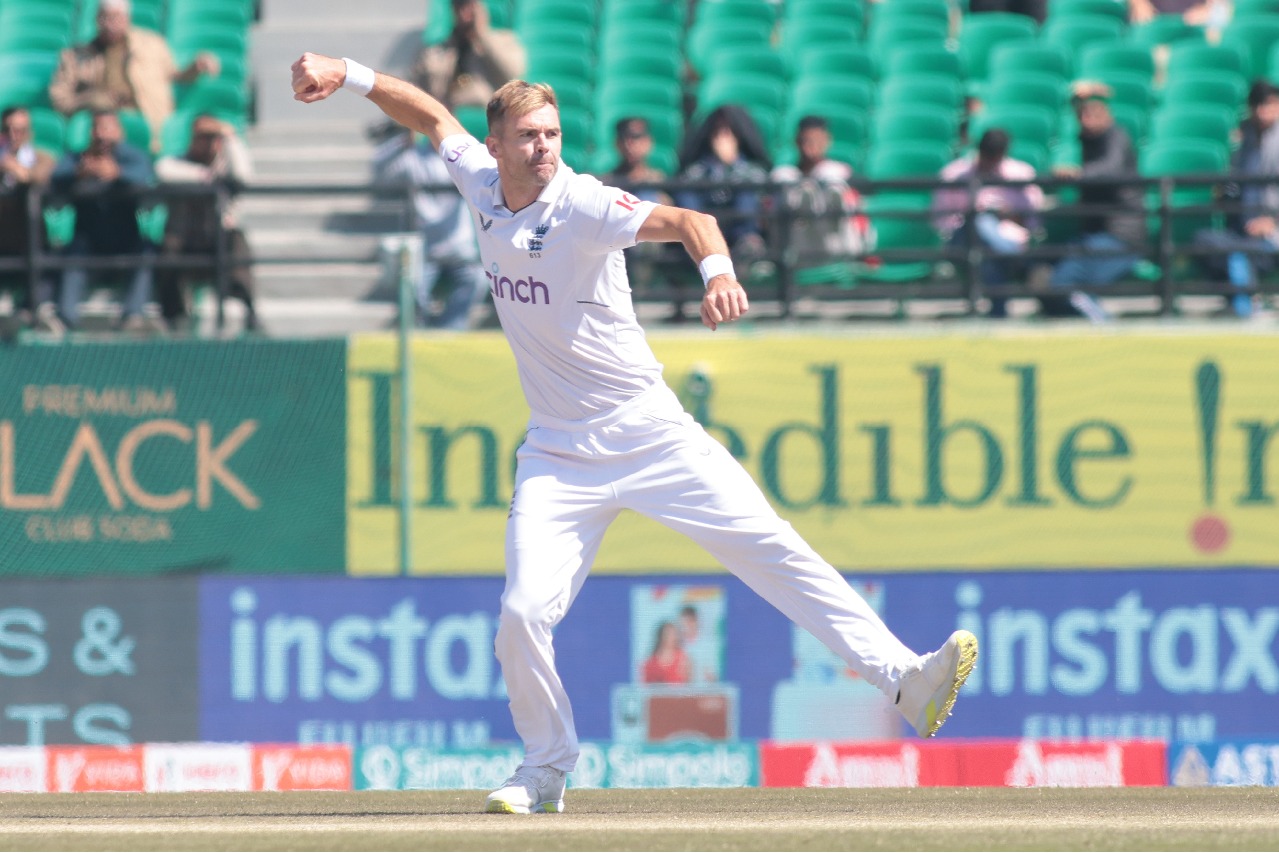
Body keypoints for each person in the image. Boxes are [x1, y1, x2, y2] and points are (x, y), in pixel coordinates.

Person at [290, 51, 977, 816]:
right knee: (520, 614)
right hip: (556, 452)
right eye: (527, 135)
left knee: (773, 548)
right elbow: (429, 113)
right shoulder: (477, 182)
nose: (544, 146)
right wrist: (345, 71)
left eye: (551, 132)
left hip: (651, 432)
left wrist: (716, 271)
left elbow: (691, 220)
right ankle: (544, 768)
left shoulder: (583, 203)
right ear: (496, 147)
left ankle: (904, 679)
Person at [47, 0, 221, 151]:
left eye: (115, 17)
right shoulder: (76, 56)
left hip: (144, 117)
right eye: (105, 17)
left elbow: (176, 75)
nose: (109, 24)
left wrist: (196, 67)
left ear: (126, 18)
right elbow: (60, 98)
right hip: (99, 125)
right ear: (96, 19)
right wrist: (90, 99)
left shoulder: (152, 44)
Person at [1039, 83, 1145, 321]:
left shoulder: (1117, 136)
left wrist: (1077, 174)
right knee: (1046, 275)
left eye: (1094, 112)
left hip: (1121, 237)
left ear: (1108, 114)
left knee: (1063, 283)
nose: (1088, 118)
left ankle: (1100, 321)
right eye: (1082, 113)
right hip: (1094, 235)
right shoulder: (1086, 142)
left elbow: (1111, 168)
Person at [51, 110, 157, 330]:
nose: (102, 135)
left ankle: (133, 317)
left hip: (125, 238)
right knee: (72, 251)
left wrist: (117, 173)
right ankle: (65, 318)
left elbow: (147, 176)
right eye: (98, 129)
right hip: (88, 240)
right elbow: (55, 178)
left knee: (147, 249)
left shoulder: (132, 157)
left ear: (119, 132)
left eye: (108, 129)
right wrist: (79, 174)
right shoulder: (77, 158)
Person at [371, 128, 488, 329]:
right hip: (426, 249)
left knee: (478, 280)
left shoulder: (462, 160)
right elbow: (378, 171)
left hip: (460, 250)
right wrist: (400, 141)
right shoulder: (414, 157)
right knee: (411, 287)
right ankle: (421, 334)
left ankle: (450, 331)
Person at [155, 114, 258, 332]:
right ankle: (174, 317)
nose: (208, 142)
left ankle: (250, 311)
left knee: (238, 242)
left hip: (216, 238)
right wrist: (206, 176)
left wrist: (230, 137)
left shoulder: (226, 163)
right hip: (186, 240)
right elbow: (162, 170)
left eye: (212, 137)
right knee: (168, 248)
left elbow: (244, 174)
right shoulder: (178, 162)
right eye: (202, 137)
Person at [933, 128, 1044, 318]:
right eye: (987, 154)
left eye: (995, 155)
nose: (990, 160)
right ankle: (1013, 262)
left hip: (1009, 239)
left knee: (990, 258)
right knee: (980, 223)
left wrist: (1007, 215)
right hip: (964, 240)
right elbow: (941, 219)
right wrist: (971, 215)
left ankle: (997, 311)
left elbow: (1033, 221)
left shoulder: (1021, 173)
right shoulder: (955, 174)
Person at [1193, 79, 1279, 318]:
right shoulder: (1244, 140)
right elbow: (1234, 183)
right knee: (1202, 242)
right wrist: (1225, 191)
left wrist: (1272, 221)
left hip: (1271, 233)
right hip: (1241, 228)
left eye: (1271, 105)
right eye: (1258, 105)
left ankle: (1247, 303)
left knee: (1241, 252)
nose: (1264, 112)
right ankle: (1243, 298)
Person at [770, 115, 869, 274]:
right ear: (797, 141)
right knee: (788, 182)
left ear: (827, 140)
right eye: (806, 139)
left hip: (834, 243)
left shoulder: (839, 171)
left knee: (833, 184)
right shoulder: (786, 174)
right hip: (798, 246)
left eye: (817, 139)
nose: (811, 145)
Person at [677, 105, 772, 267]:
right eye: (718, 131)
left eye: (728, 131)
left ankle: (746, 242)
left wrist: (730, 163)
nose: (722, 136)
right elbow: (686, 179)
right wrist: (716, 167)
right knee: (685, 193)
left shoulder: (750, 167)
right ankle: (696, 243)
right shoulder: (700, 167)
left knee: (746, 192)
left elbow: (760, 181)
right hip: (708, 220)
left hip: (737, 227)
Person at [0, 107, 60, 332]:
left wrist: (14, 168)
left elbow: (38, 176)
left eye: (21, 130)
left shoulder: (42, 157)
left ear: (29, 133)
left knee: (52, 258)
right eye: (10, 129)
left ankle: (31, 312)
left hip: (29, 239)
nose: (16, 135)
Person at [415, 0, 526, 109]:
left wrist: (482, 35)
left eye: (470, 6)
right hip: (448, 114)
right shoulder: (437, 51)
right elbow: (418, 87)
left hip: (488, 113)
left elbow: (513, 75)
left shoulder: (505, 40)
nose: (465, 14)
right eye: (460, 6)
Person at [678, 605, 719, 684]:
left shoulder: (708, 644)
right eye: (684, 622)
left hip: (703, 690)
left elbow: (713, 676)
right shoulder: (678, 644)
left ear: (696, 621)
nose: (687, 626)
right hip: (682, 691)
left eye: (690, 621)